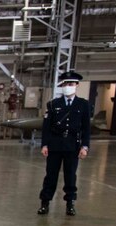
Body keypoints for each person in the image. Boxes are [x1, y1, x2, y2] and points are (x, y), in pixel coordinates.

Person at [37, 70, 91, 216]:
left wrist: (85, 147)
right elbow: (46, 127)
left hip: (72, 146)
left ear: (76, 85)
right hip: (55, 145)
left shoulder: (83, 105)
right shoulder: (53, 104)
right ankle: (45, 202)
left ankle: (70, 203)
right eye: (66, 83)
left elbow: (86, 128)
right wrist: (44, 145)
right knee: (50, 176)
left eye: (71, 84)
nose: (68, 86)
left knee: (70, 176)